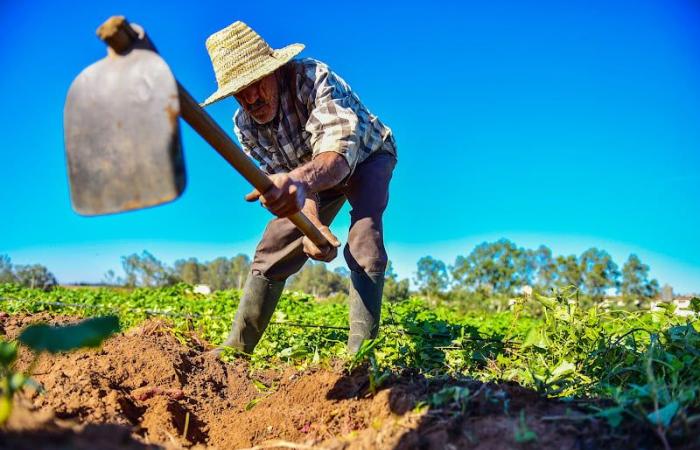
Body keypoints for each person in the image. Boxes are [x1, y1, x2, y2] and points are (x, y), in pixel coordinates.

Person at [201, 21, 397, 354]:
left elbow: (336, 153)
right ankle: (237, 350)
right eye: (239, 90)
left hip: (365, 155)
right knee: (274, 245)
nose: (250, 98)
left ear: (274, 71)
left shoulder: (311, 77)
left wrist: (297, 182)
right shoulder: (245, 125)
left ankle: (359, 359)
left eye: (256, 83)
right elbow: (292, 187)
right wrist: (313, 227)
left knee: (365, 237)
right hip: (310, 178)